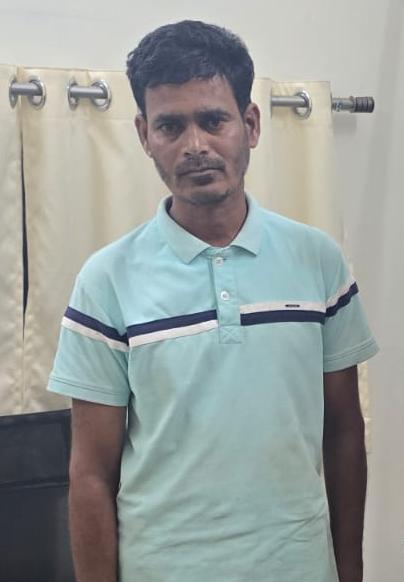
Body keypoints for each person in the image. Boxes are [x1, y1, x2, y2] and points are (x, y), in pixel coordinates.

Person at [48, 20, 379, 582]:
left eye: (213, 120)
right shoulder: (105, 281)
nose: (194, 146)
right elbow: (91, 474)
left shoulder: (318, 260)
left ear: (250, 125)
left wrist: (350, 568)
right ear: (144, 134)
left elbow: (344, 430)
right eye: (170, 126)